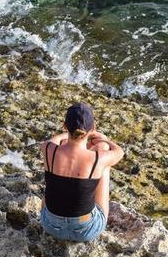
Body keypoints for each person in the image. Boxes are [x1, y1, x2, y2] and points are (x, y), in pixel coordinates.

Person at [40, 102, 124, 242]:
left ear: (65, 125)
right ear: (92, 128)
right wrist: (103, 139)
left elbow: (54, 140)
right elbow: (119, 152)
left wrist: (68, 133)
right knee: (103, 153)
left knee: (55, 171)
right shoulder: (98, 159)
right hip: (86, 231)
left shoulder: (48, 149)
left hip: (51, 226)